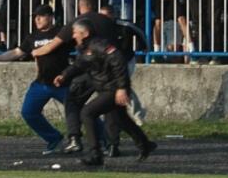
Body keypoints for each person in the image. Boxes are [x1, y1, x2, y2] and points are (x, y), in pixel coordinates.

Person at [53, 19, 157, 166]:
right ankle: (145, 145)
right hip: (106, 88)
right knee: (123, 120)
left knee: (87, 113)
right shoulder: (85, 48)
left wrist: (121, 88)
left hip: (113, 88)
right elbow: (79, 65)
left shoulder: (99, 44)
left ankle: (95, 154)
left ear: (85, 33)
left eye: (76, 32)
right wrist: (64, 75)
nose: (74, 35)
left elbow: (119, 61)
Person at [0, 4, 70, 154]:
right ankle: (53, 138)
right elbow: (17, 52)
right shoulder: (32, 37)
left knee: (81, 111)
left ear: (51, 17)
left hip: (62, 82)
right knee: (29, 112)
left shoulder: (60, 32)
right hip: (41, 83)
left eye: (41, 16)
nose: (37, 19)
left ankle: (103, 139)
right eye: (35, 16)